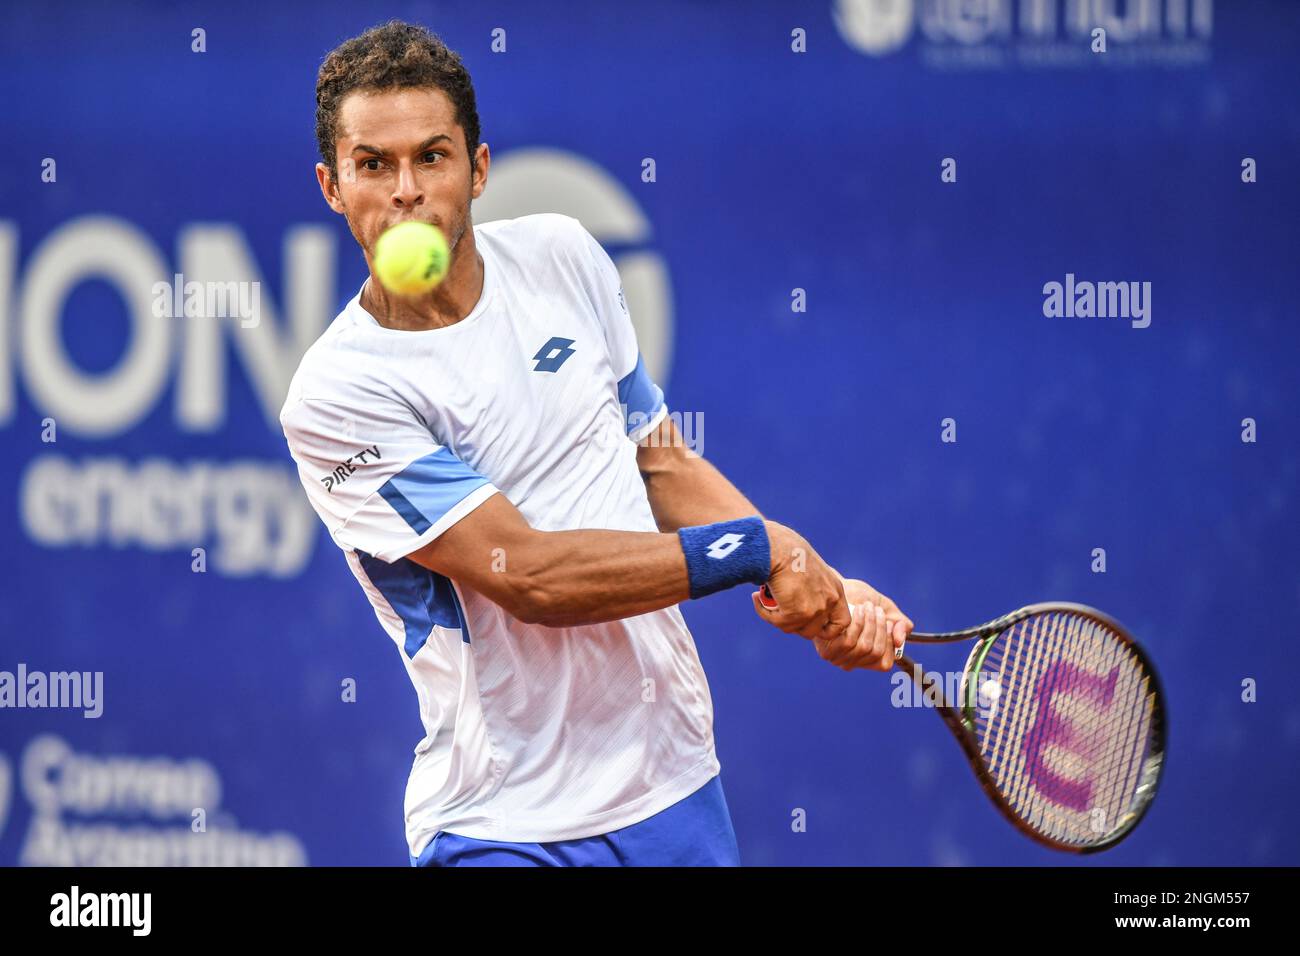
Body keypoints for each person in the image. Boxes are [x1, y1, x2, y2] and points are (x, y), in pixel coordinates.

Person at [281, 19, 912, 867]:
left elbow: (659, 462)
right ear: (331, 185)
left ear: (479, 168)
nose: (405, 191)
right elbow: (529, 576)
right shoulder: (337, 394)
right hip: (502, 819)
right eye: (373, 164)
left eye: (432, 156)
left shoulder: (564, 255)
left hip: (674, 781)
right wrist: (759, 548)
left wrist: (817, 582)